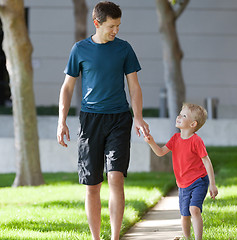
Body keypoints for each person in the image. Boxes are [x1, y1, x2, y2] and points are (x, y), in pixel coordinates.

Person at [57, 2, 149, 239]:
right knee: (92, 186)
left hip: (119, 118)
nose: (115, 30)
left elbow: (134, 87)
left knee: (115, 178)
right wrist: (62, 121)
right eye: (111, 26)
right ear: (96, 23)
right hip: (91, 121)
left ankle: (115, 237)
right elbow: (67, 88)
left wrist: (138, 117)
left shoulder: (124, 49)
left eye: (118, 26)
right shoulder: (79, 49)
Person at [144, 103, 218, 240]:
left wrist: (212, 184)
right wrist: (151, 142)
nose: (178, 116)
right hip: (183, 184)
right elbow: (160, 152)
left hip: (199, 181)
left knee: (194, 209)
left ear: (192, 124)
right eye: (180, 113)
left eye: (183, 115)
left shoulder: (196, 141)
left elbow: (206, 161)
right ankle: (187, 238)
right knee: (184, 215)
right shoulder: (175, 139)